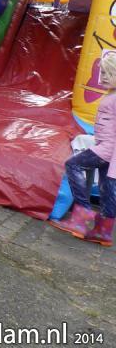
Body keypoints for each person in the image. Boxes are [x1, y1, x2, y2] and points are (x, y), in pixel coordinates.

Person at [48, 53, 116, 246]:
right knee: (106, 188)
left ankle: (82, 219)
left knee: (73, 164)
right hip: (105, 148)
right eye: (103, 72)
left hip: (107, 149)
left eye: (109, 73)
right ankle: (104, 232)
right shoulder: (111, 95)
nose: (103, 77)